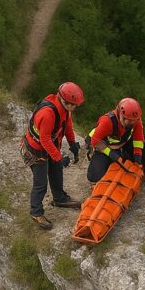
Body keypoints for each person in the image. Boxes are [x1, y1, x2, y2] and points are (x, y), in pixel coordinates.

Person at [22, 81, 84, 230]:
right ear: (65, 101)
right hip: (36, 152)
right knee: (40, 183)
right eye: (74, 105)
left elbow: (67, 126)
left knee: (57, 172)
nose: (75, 108)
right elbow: (44, 140)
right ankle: (36, 212)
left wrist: (72, 143)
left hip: (50, 147)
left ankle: (59, 198)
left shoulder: (64, 109)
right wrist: (58, 157)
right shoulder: (48, 114)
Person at [85, 97, 145, 183]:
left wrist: (138, 157)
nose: (127, 123)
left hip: (119, 144)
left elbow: (138, 139)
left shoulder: (136, 121)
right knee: (94, 177)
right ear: (119, 112)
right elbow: (95, 141)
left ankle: (125, 156)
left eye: (131, 121)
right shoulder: (107, 121)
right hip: (101, 144)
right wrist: (111, 154)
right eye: (125, 119)